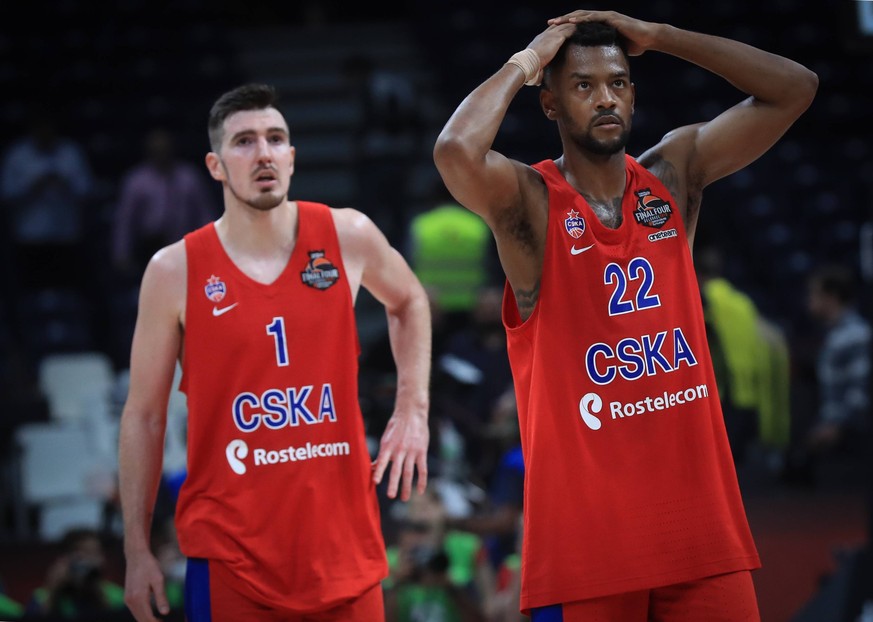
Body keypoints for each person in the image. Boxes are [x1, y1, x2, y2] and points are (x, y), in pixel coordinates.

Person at [433, 8, 817, 621]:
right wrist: (529, 62)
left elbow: (796, 88)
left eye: (617, 82)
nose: (605, 98)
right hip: (589, 549)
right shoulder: (530, 204)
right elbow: (455, 149)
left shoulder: (674, 173)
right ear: (551, 105)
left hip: (700, 535)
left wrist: (660, 37)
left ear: (634, 93)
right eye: (583, 86)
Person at [118, 83, 431, 622]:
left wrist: (413, 409)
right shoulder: (174, 270)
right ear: (216, 166)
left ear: (292, 157)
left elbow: (408, 301)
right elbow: (144, 416)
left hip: (345, 553)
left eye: (275, 139)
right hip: (230, 559)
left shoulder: (347, 233)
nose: (263, 153)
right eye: (244, 142)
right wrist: (136, 550)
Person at [111, 126, 219, 282]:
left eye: (165, 149)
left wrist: (211, 248)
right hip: (148, 247)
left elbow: (204, 214)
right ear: (149, 151)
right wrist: (121, 253)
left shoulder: (189, 177)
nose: (161, 154)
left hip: (184, 246)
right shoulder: (136, 181)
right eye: (157, 150)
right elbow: (125, 221)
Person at [26, 527, 126, 619]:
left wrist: (97, 591)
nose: (90, 560)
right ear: (64, 559)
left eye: (95, 553)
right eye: (84, 553)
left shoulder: (117, 595)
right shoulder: (42, 597)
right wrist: (53, 591)